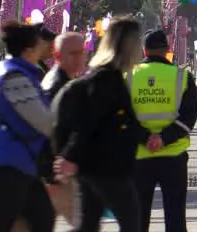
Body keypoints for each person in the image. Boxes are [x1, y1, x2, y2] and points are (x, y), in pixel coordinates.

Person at [53, 17, 144, 232]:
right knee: (131, 224)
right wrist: (69, 156)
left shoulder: (110, 77)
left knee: (88, 225)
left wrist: (147, 137)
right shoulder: (107, 79)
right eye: (136, 41)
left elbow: (120, 121)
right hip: (107, 168)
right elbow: (87, 121)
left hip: (97, 166)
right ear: (127, 45)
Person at [0, 21, 57, 232]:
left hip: (17, 160)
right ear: (28, 50)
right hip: (7, 161)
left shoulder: (17, 71)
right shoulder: (14, 78)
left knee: (42, 217)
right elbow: (41, 119)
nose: (44, 47)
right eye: (39, 44)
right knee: (3, 222)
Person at [130, 29, 197, 232]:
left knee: (137, 218)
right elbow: (189, 116)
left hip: (139, 157)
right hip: (173, 157)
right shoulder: (182, 77)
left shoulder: (127, 77)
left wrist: (145, 138)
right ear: (167, 50)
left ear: (144, 50)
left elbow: (121, 117)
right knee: (175, 217)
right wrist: (164, 139)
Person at [42, 31, 86, 100]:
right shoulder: (55, 87)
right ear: (57, 55)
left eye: (82, 52)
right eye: (73, 53)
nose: (79, 58)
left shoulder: (71, 80)